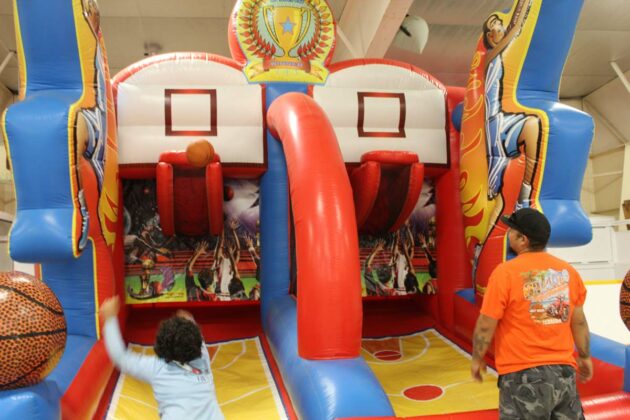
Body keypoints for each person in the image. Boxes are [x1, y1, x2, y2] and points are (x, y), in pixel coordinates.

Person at [470, 208, 592, 419]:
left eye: (511, 231)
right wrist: (584, 355)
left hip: (523, 375)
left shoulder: (505, 273)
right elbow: (579, 322)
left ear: (522, 239)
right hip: (563, 374)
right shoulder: (568, 273)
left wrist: (478, 357)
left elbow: (486, 323)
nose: (508, 234)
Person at [100, 296, 224, 420]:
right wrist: (189, 320)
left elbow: (121, 358)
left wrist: (110, 319)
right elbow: (197, 339)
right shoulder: (202, 359)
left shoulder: (157, 367)